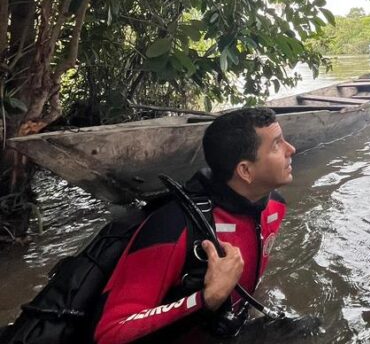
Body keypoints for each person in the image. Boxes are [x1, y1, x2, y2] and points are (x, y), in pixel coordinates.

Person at [93, 107, 295, 343]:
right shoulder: (173, 226)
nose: (291, 150)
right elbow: (108, 333)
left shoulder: (275, 207)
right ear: (245, 171)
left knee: (310, 328)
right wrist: (207, 298)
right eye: (276, 145)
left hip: (227, 328)